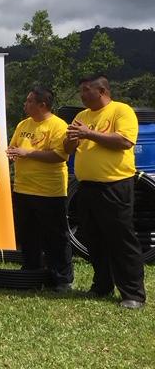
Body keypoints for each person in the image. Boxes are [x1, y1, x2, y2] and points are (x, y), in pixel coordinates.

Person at [64, 74, 146, 309]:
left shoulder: (121, 111)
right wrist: (72, 139)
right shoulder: (82, 116)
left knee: (120, 239)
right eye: (81, 90)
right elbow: (68, 148)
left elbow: (125, 141)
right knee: (94, 238)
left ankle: (133, 294)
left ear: (101, 91)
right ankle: (102, 285)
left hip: (115, 185)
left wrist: (88, 133)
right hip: (86, 186)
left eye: (86, 90)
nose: (82, 95)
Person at [6, 88, 73, 291]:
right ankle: (31, 272)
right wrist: (13, 153)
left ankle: (61, 278)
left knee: (55, 236)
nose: (25, 104)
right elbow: (15, 147)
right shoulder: (23, 124)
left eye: (29, 101)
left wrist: (27, 153)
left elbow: (59, 156)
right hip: (23, 188)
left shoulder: (57, 125)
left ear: (42, 105)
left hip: (49, 190)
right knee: (28, 234)